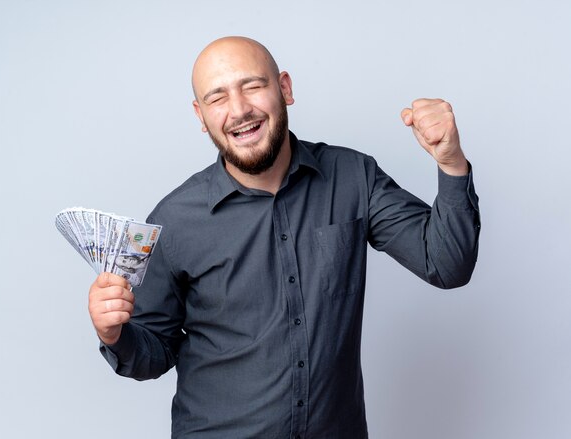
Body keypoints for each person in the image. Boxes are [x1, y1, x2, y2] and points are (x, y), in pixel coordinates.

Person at [88, 36, 480, 438]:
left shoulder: (353, 177)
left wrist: (450, 162)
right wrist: (113, 333)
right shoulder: (173, 220)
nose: (239, 110)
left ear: (285, 89)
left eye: (253, 86)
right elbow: (152, 353)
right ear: (201, 115)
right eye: (217, 97)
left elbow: (446, 264)